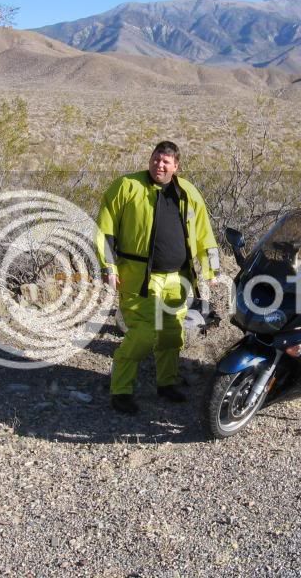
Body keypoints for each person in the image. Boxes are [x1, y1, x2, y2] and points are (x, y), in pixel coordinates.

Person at [95, 141, 219, 414]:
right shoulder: (126, 187)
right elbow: (105, 230)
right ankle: (121, 390)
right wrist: (109, 267)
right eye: (155, 159)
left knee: (171, 333)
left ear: (176, 167)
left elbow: (204, 233)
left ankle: (167, 383)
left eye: (165, 162)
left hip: (178, 277)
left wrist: (212, 270)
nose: (158, 165)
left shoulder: (188, 192)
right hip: (138, 276)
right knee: (142, 333)